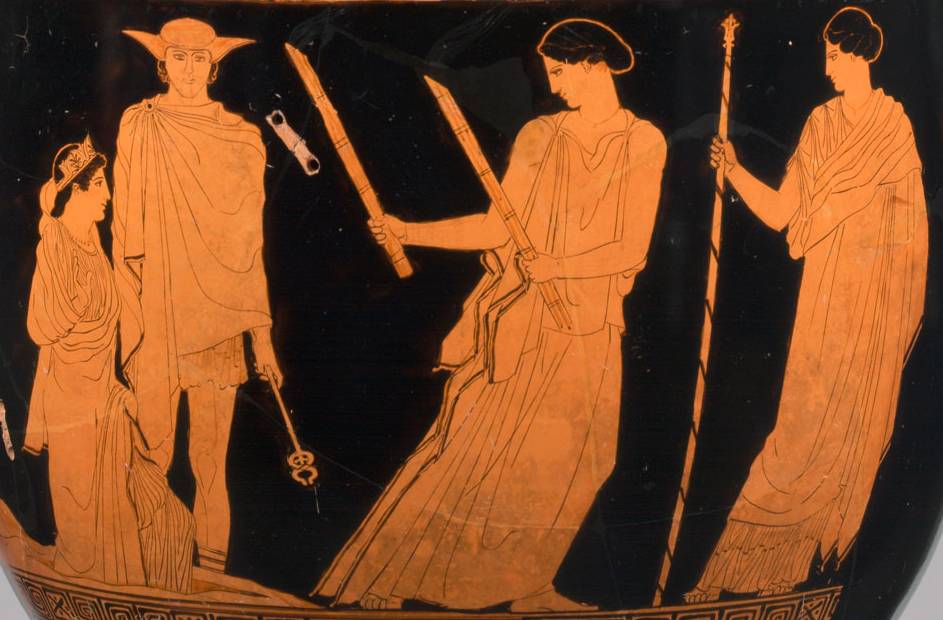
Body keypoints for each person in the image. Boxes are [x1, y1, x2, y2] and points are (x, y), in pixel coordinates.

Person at [312, 18, 667, 612]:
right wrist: (408, 231)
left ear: (594, 64)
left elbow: (632, 249)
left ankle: (525, 584)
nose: (553, 86)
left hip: (591, 321)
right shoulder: (540, 136)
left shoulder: (644, 141)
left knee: (583, 457)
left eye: (560, 72)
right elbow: (499, 227)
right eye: (549, 73)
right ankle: (389, 581)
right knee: (475, 453)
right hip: (527, 320)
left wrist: (559, 266)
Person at [687, 7, 928, 602]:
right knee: (799, 428)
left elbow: (911, 234)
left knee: (848, 430)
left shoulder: (894, 127)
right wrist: (735, 171)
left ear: (864, 54)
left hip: (870, 306)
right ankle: (747, 573)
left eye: (837, 56)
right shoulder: (820, 124)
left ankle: (811, 568)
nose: (828, 68)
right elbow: (782, 214)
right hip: (823, 301)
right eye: (826, 56)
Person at [114, 18, 282, 575]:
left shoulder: (241, 137)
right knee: (151, 455)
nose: (188, 69)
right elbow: (125, 232)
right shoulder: (140, 123)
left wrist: (263, 340)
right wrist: (129, 314)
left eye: (199, 58)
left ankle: (211, 580)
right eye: (178, 57)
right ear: (163, 65)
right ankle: (148, 574)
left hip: (219, 321)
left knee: (209, 462)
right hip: (157, 312)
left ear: (214, 67)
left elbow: (248, 246)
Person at [23, 137, 193, 591]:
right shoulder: (55, 244)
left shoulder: (94, 244)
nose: (107, 194)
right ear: (76, 190)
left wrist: (118, 389)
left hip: (106, 403)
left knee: (171, 519)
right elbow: (41, 326)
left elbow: (106, 331)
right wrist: (79, 303)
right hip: (75, 412)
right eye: (98, 184)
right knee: (90, 543)